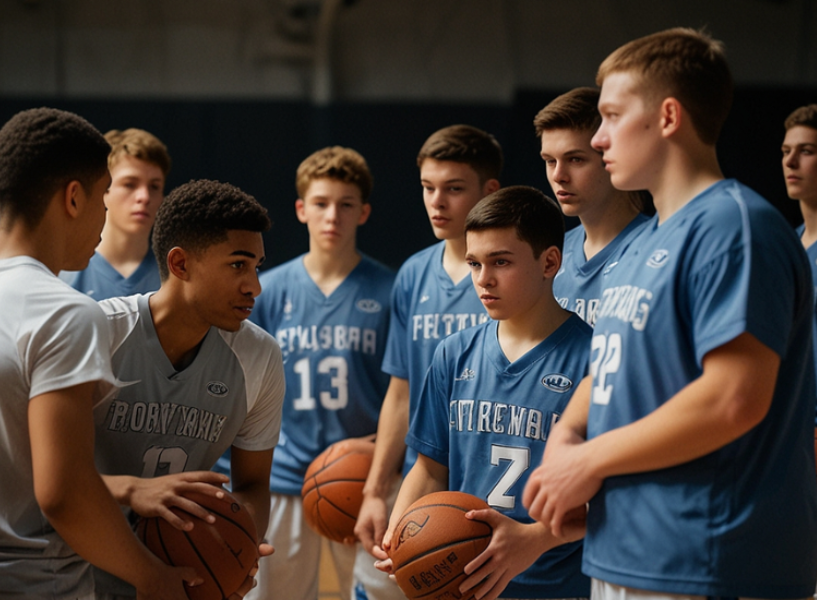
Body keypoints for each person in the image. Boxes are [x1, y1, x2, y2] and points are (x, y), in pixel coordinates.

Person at [523, 28, 817, 600]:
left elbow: (733, 398)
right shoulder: (640, 242)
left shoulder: (735, 227)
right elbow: (610, 369)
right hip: (626, 550)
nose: (602, 137)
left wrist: (588, 461)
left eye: (611, 115)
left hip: (710, 560)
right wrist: (567, 436)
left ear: (668, 116)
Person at [0, 107, 196, 598]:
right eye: (103, 199)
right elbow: (64, 494)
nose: (104, 218)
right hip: (33, 584)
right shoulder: (64, 311)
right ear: (73, 197)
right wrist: (151, 576)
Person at [378, 186, 591, 600]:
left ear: (550, 261)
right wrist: (400, 529)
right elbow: (429, 467)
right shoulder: (453, 353)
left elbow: (613, 497)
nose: (482, 279)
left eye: (501, 262)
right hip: (461, 582)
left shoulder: (594, 358)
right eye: (473, 263)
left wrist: (536, 537)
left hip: (555, 583)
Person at [92, 179, 283, 599]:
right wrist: (131, 490)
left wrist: (235, 551)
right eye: (238, 265)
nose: (255, 286)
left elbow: (252, 485)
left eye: (257, 267)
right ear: (180, 264)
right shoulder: (97, 333)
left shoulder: (259, 356)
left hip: (182, 582)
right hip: (76, 574)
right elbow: (33, 474)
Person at [238, 147, 401, 600]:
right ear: (300, 209)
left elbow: (402, 393)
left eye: (346, 204)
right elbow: (246, 390)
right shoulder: (268, 291)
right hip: (286, 476)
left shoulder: (390, 291)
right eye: (322, 203)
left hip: (369, 480)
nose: (333, 216)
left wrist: (378, 459)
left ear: (363, 212)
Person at [354, 125, 502, 563]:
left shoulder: (510, 275)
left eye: (454, 189)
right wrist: (376, 491)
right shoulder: (414, 274)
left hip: (492, 474)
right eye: (427, 187)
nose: (437, 202)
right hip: (424, 476)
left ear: (488, 190)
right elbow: (401, 394)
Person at [534, 87, 650, 325]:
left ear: (613, 157)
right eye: (550, 161)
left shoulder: (659, 249)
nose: (558, 175)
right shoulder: (549, 259)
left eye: (575, 159)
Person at [61, 128, 170, 300]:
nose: (144, 197)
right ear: (102, 190)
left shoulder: (176, 280)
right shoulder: (63, 276)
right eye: (129, 184)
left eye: (154, 186)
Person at [781, 104, 817, 470]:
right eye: (785, 151)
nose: (791, 162)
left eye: (806, 151)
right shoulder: (786, 244)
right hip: (787, 424)